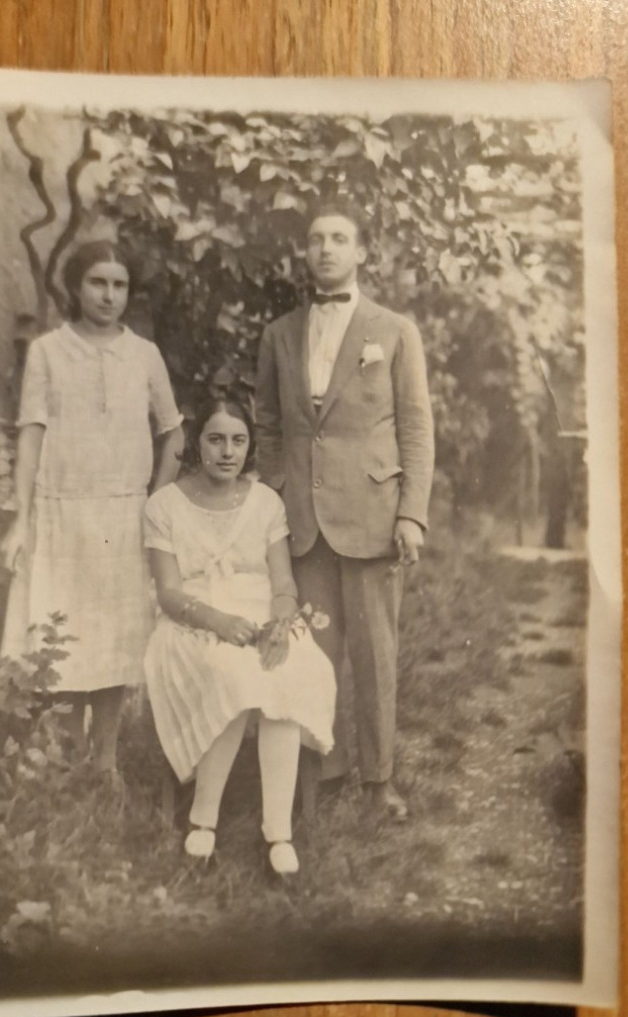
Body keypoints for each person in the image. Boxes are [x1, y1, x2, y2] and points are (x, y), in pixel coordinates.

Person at [255, 201, 435, 819]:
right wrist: (276, 495)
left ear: (361, 253)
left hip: (373, 515)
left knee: (375, 652)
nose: (325, 249)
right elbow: (270, 424)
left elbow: (415, 426)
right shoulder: (279, 333)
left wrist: (411, 512)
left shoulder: (394, 330)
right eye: (315, 240)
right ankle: (325, 776)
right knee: (313, 652)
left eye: (339, 239)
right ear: (305, 254)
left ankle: (377, 782)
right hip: (303, 521)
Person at [0, 239, 184, 771]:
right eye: (97, 283)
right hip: (62, 512)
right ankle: (63, 754)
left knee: (115, 637)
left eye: (119, 284)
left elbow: (173, 432)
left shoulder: (144, 355)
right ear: (76, 288)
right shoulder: (48, 352)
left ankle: (104, 760)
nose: (109, 295)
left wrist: (154, 502)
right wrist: (20, 518)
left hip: (122, 517)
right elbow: (31, 435)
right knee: (63, 631)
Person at [143, 395, 336, 876]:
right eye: (215, 439)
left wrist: (280, 623)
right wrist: (218, 622)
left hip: (261, 616)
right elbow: (168, 593)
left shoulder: (266, 502)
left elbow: (283, 583)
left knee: (289, 672)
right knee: (232, 674)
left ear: (249, 447)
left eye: (238, 440)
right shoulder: (164, 505)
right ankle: (202, 823)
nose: (227, 451)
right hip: (193, 621)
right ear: (196, 444)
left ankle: (279, 833)